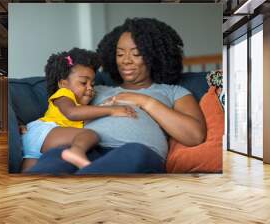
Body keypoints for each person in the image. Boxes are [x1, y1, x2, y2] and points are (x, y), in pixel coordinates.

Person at [27, 18, 206, 174]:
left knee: (133, 154)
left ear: (155, 56)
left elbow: (194, 135)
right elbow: (63, 112)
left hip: (136, 151)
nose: (125, 60)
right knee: (53, 160)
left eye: (136, 54)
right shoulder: (95, 89)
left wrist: (144, 101)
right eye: (120, 54)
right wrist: (31, 127)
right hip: (83, 147)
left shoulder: (173, 92)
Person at [21, 48, 137, 172]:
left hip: (36, 147)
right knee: (89, 134)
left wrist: (104, 105)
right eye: (83, 83)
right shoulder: (63, 94)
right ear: (63, 83)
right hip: (45, 131)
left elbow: (84, 115)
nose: (90, 88)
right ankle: (77, 151)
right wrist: (111, 110)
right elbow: (72, 113)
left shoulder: (79, 105)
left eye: (92, 84)